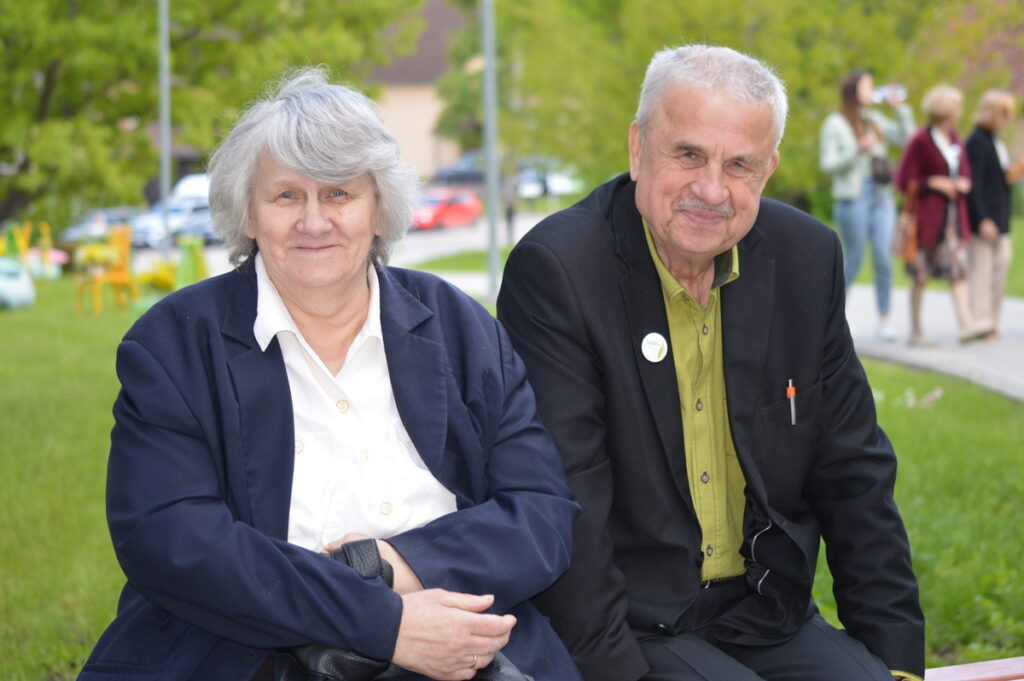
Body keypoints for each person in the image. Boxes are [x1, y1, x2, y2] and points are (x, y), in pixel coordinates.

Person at [78, 67, 582, 681]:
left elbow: (540, 514)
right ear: (248, 214)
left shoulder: (460, 326)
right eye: (286, 196)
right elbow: (172, 540)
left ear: (379, 209)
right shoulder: (175, 344)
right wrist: (383, 622)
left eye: (339, 194)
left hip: (463, 646)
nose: (314, 222)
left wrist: (390, 566)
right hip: (250, 656)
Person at [498, 44, 924, 681]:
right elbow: (565, 506)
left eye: (739, 164)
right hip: (630, 620)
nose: (712, 190)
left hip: (765, 612)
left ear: (768, 170)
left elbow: (855, 474)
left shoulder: (806, 258)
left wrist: (897, 665)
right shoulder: (560, 270)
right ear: (638, 148)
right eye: (688, 155)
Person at [819, 70, 915, 341]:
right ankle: (835, 320)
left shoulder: (874, 119)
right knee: (854, 260)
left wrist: (900, 109)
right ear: (854, 90)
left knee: (884, 257)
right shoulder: (835, 123)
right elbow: (827, 164)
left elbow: (907, 138)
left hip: (881, 195)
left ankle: (884, 319)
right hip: (853, 197)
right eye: (867, 86)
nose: (872, 90)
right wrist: (856, 150)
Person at [895, 85, 990, 346]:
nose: (960, 112)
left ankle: (967, 325)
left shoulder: (955, 139)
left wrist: (963, 182)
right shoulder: (921, 141)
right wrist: (933, 183)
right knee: (921, 274)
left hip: (952, 220)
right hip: (926, 220)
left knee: (958, 270)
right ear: (945, 110)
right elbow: (904, 180)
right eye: (957, 108)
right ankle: (916, 331)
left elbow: (965, 170)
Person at [965, 89, 1024, 340]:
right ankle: (981, 322)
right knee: (981, 272)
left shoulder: (995, 141)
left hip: (1001, 217)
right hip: (985, 219)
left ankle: (992, 320)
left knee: (1001, 266)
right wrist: (982, 219)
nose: (1006, 120)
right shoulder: (977, 142)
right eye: (1004, 114)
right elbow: (974, 184)